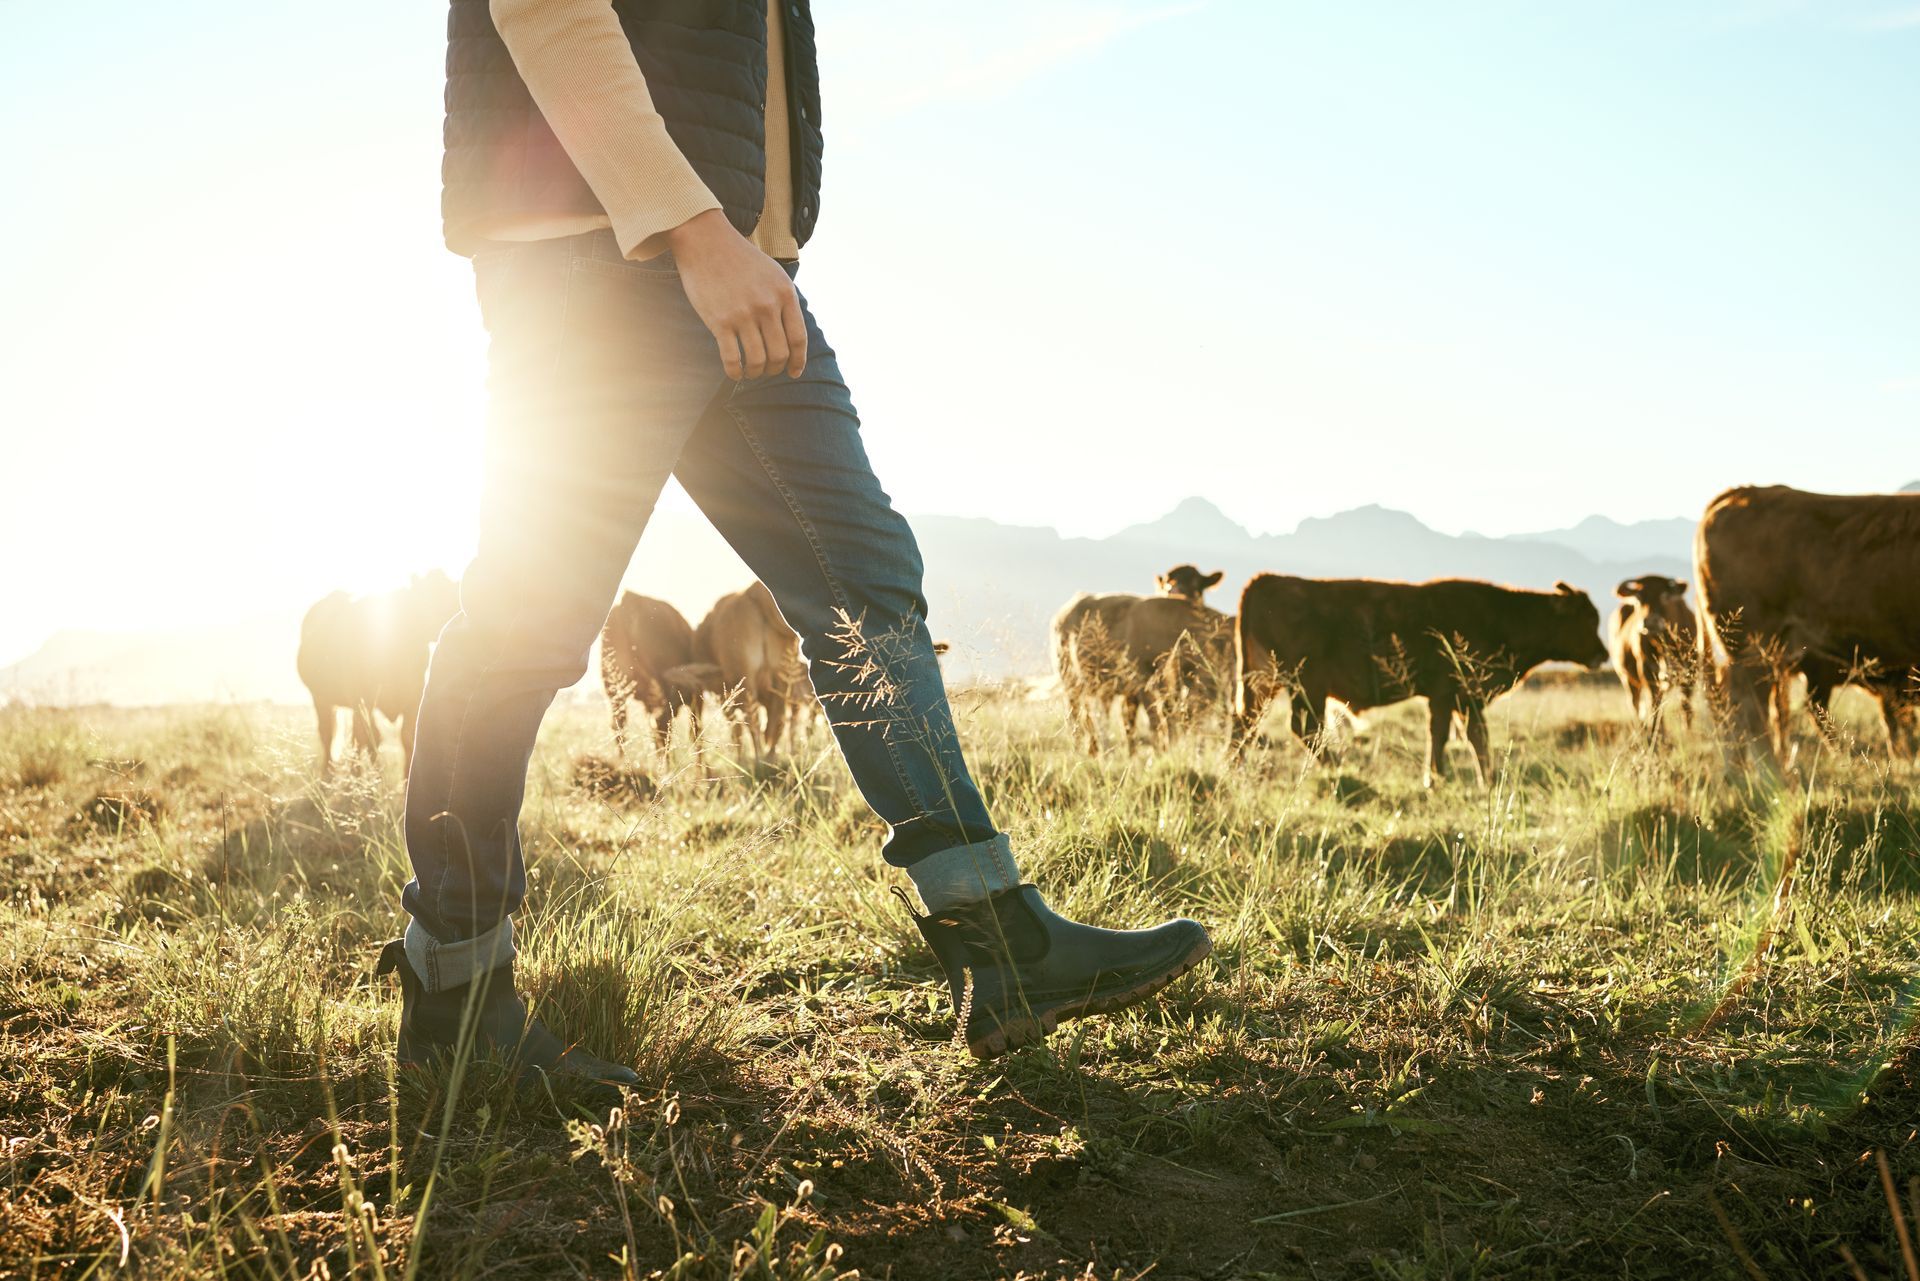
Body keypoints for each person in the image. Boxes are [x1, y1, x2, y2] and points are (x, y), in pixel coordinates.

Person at [375, 0, 1212, 1092]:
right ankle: (457, 1000)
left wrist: (743, 241)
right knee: (526, 630)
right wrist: (691, 228)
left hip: (738, 266)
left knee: (864, 578)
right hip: (607, 256)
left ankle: (995, 938)